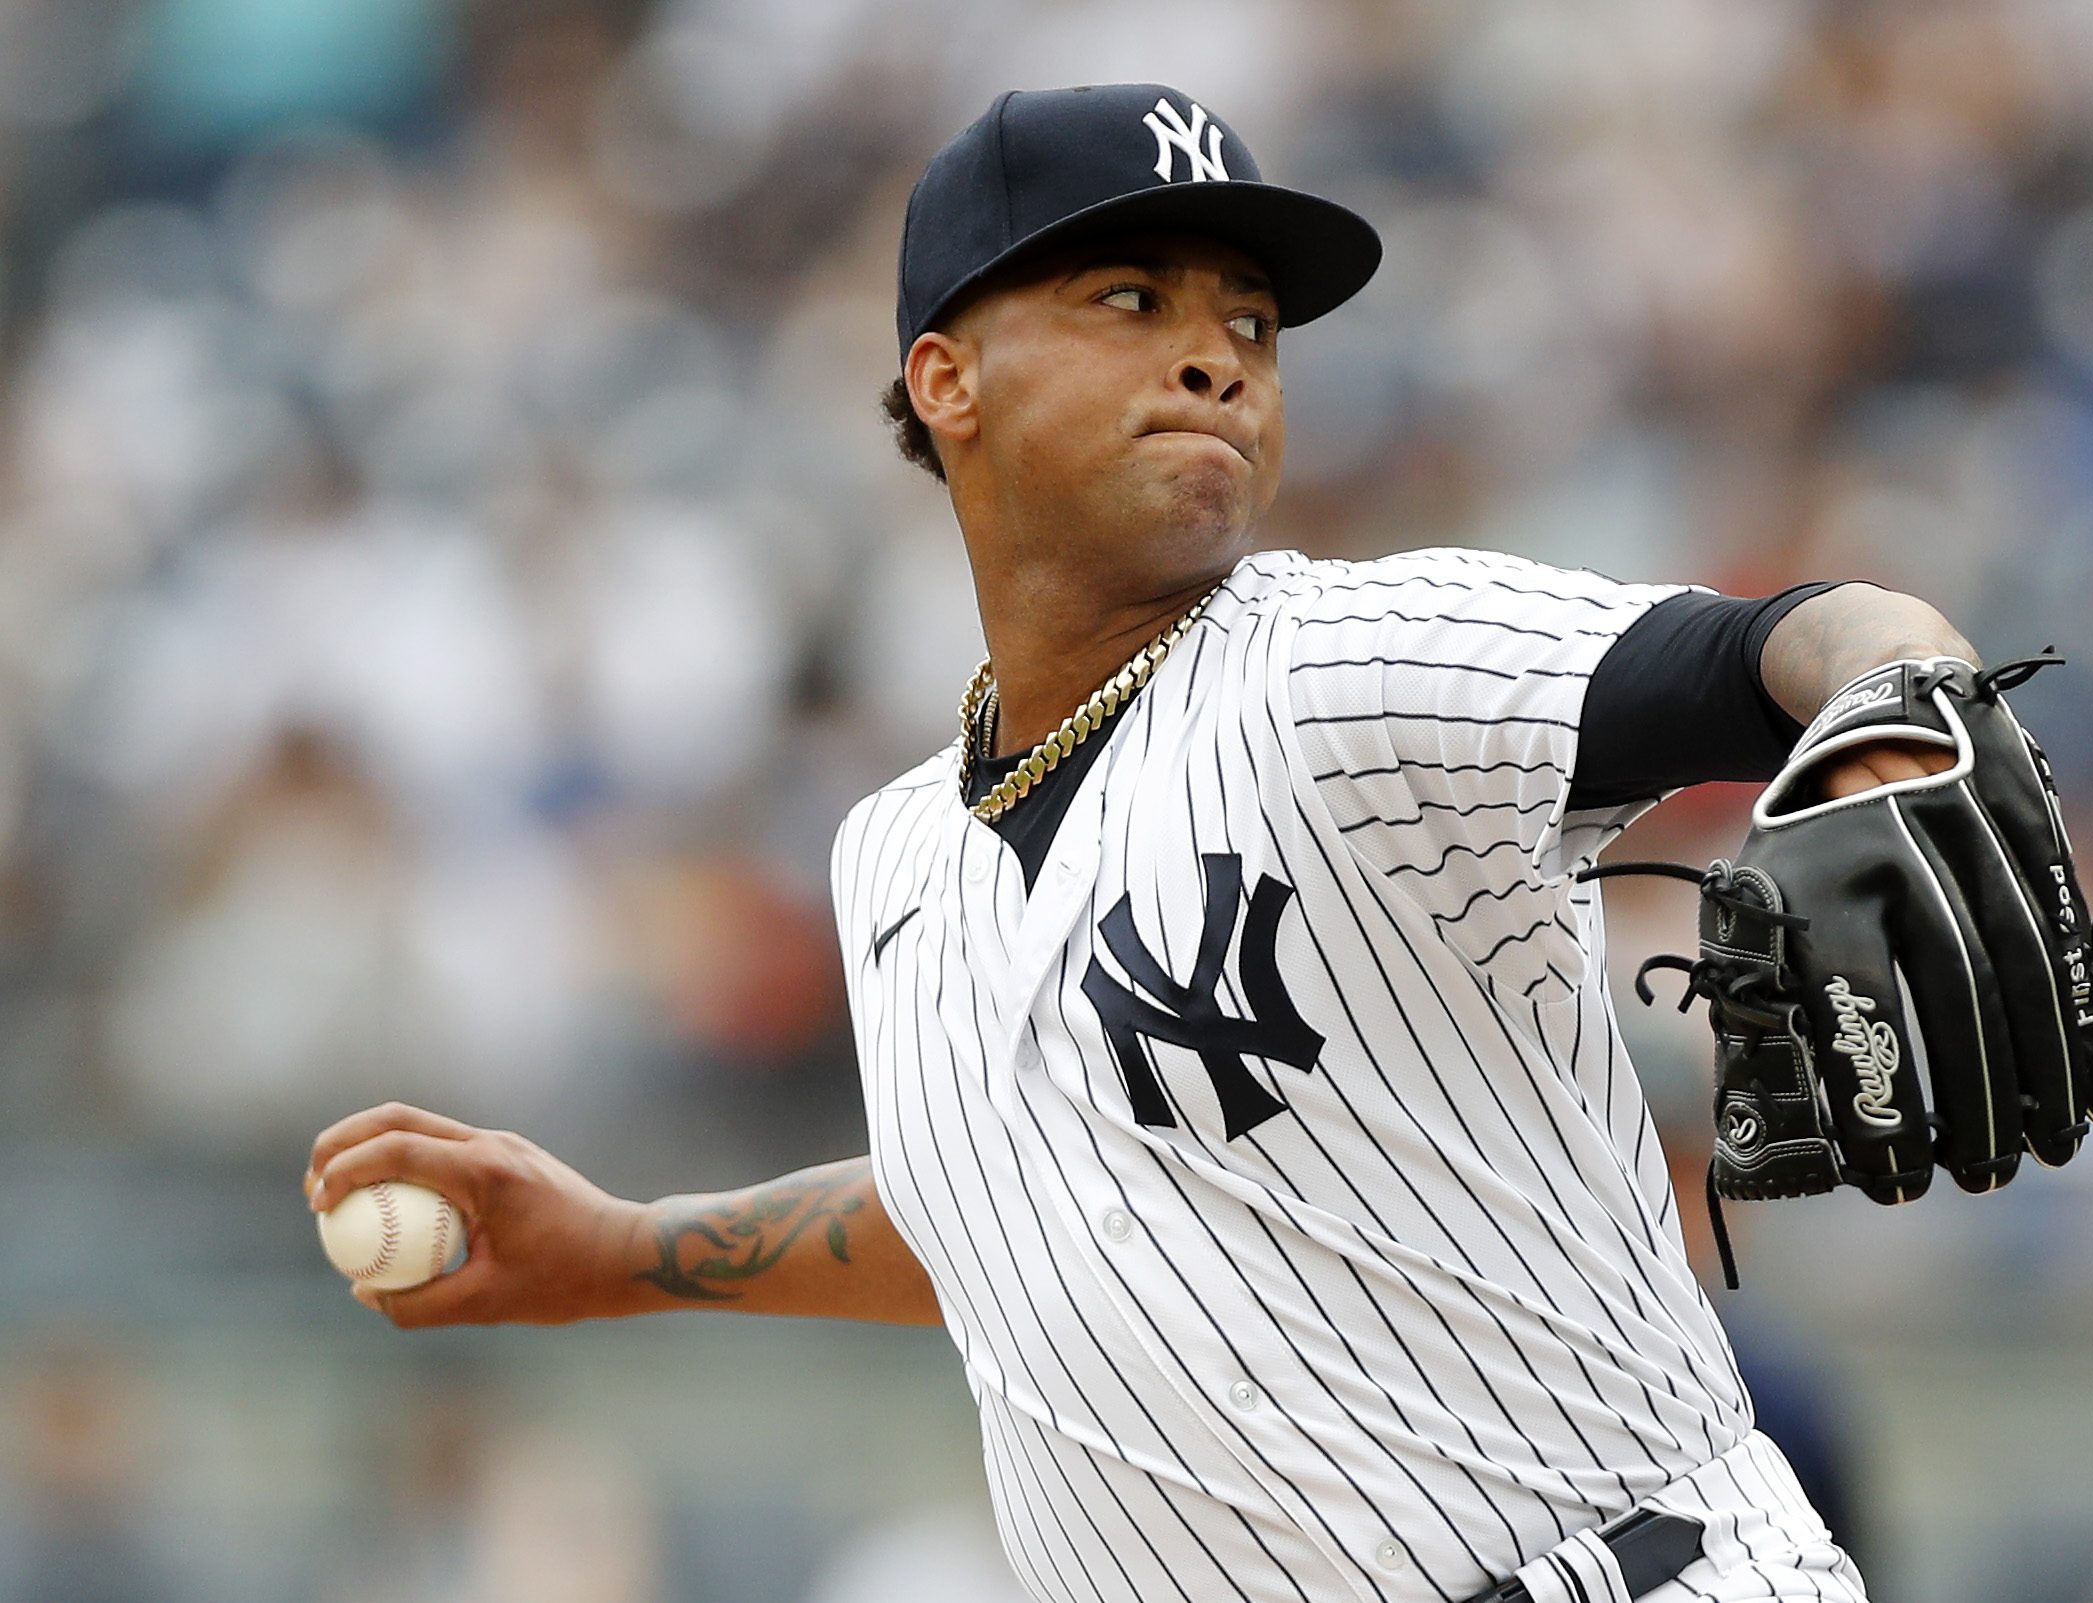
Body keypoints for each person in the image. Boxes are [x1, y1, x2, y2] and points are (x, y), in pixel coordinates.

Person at [307, 84, 1985, 1603]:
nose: (1219, 356)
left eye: (1248, 321)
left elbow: (1795, 640)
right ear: (942, 377)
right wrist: (624, 1253)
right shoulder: (891, 857)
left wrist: (1906, 721)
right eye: (1133, 301)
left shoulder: (1347, 671)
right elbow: (1009, 1210)